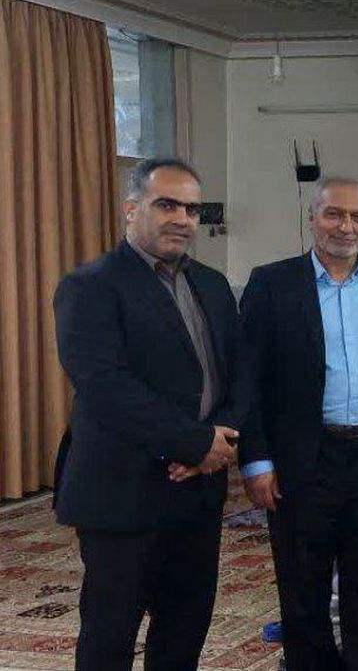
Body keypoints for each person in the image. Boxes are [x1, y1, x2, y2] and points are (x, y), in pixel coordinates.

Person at [53, 158, 251, 670]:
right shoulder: (91, 286)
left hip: (197, 492)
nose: (181, 218)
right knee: (110, 635)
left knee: (185, 629)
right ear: (131, 209)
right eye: (167, 204)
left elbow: (239, 374)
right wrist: (195, 444)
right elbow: (105, 386)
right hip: (123, 492)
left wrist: (220, 442)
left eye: (191, 208)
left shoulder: (213, 285)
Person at [239, 176, 358, 670]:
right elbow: (248, 379)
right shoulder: (272, 285)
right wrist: (256, 460)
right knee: (304, 588)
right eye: (334, 214)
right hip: (304, 459)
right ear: (312, 217)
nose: (346, 227)